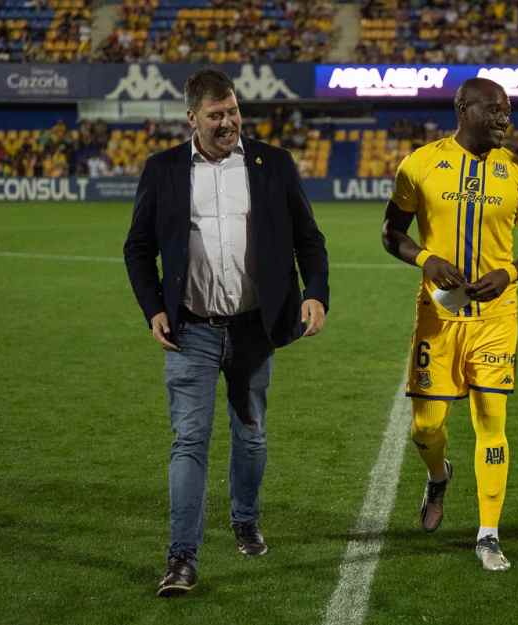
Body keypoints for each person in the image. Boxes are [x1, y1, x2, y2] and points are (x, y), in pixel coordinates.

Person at [123, 68, 329, 597]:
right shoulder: (164, 169)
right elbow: (138, 248)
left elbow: (310, 239)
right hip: (189, 328)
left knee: (251, 432)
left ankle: (244, 518)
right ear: (192, 118)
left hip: (254, 327)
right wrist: (153, 308)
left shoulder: (272, 165)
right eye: (216, 115)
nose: (228, 122)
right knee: (189, 439)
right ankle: (182, 558)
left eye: (233, 111)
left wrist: (315, 293)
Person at [381, 77, 518, 572]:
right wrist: (426, 259)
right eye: (495, 109)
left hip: (497, 317)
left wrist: (510, 272)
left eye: (509, 111)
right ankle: (438, 475)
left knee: (491, 423)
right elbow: (392, 233)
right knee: (426, 429)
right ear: (463, 107)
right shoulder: (420, 164)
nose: (504, 119)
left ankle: (488, 533)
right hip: (440, 313)